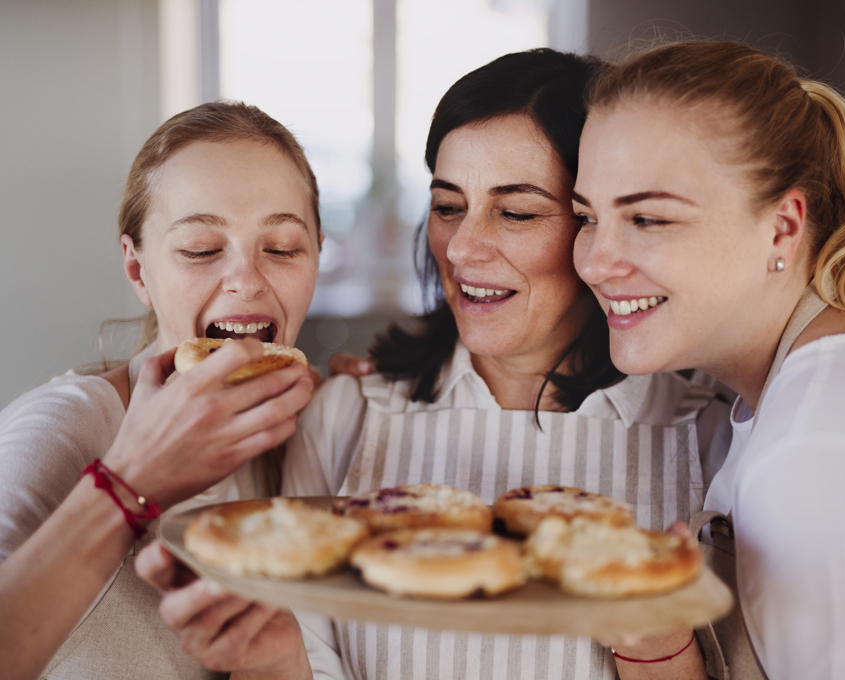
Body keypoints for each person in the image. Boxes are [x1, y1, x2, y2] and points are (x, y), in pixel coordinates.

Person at [138, 48, 731, 680]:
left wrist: (658, 647)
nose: (465, 248)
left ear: (594, 225)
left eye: (517, 211)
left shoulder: (707, 436)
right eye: (449, 206)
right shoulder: (347, 414)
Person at [571, 40, 845, 679]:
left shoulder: (824, 449)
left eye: (649, 219)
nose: (596, 262)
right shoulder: (833, 364)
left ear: (782, 227)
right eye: (587, 216)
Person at [0, 101, 321, 680]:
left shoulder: (302, 440)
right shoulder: (67, 427)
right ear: (137, 270)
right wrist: (128, 482)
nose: (247, 279)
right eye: (200, 249)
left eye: (282, 248)